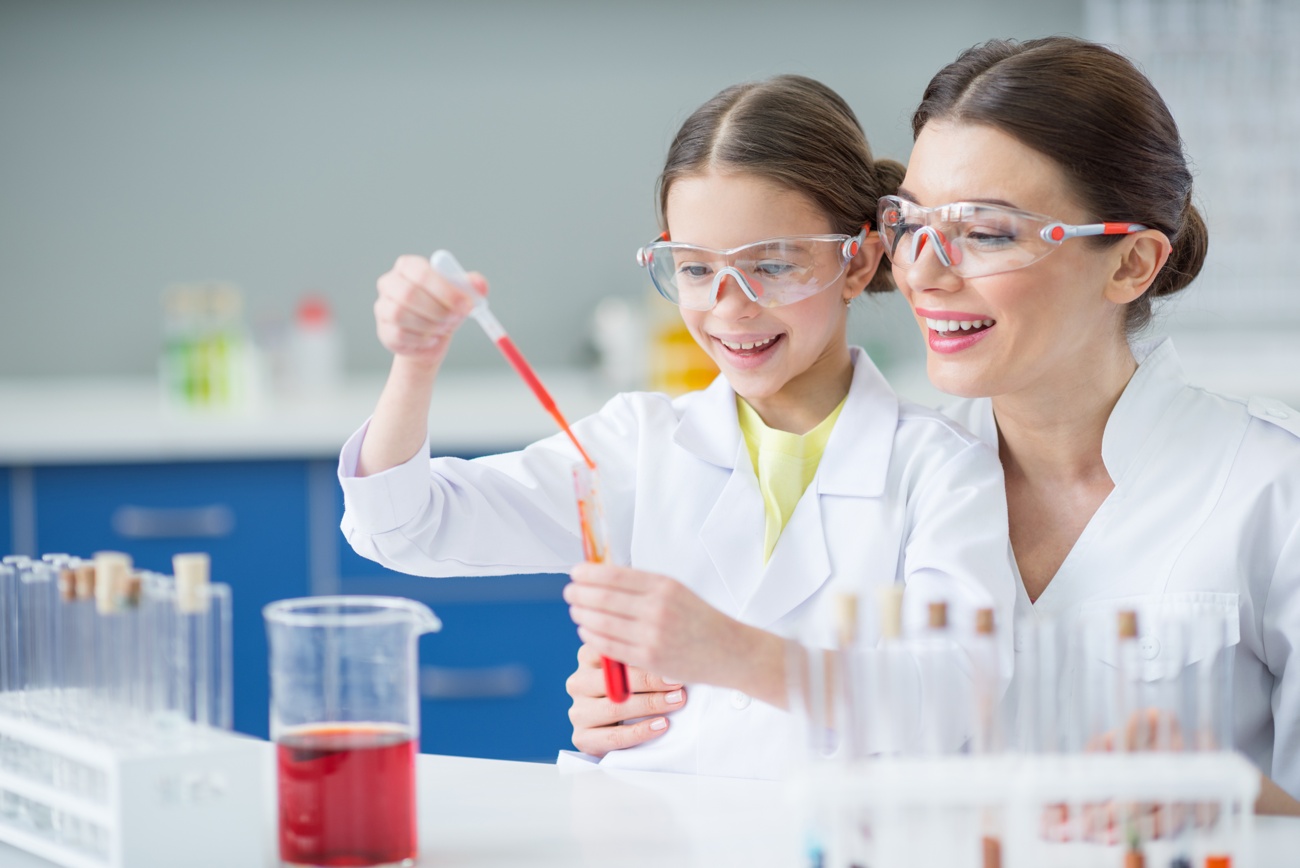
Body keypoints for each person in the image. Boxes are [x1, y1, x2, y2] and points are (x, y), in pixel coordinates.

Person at [567, 38, 1300, 813]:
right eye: (909, 222)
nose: (921, 269)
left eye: (986, 233)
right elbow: (788, 706)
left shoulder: (1271, 493)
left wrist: (1229, 802)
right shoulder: (890, 466)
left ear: (1131, 264)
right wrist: (655, 701)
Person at [339, 74, 1015, 778]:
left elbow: (954, 695)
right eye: (695, 269)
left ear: (860, 260)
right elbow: (405, 526)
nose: (730, 308)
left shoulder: (939, 468)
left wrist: (738, 655)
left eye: (772, 265)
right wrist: (414, 364)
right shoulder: (637, 445)